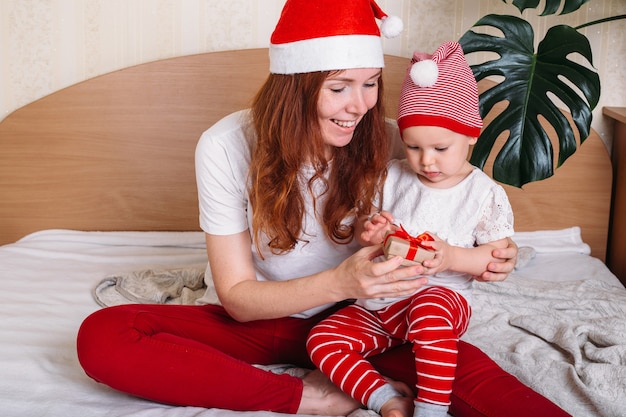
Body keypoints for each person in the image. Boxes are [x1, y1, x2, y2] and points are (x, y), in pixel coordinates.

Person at [76, 1, 570, 416]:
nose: (359, 106)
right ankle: (309, 398)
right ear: (294, 89)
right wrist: (340, 283)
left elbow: (464, 196)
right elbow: (239, 300)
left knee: (486, 386)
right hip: (266, 317)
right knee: (103, 336)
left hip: (371, 322)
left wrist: (494, 254)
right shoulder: (225, 145)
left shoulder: (400, 143)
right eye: (339, 88)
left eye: (371, 83)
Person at [306, 41, 515, 417]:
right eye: (414, 146)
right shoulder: (392, 176)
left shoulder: (484, 193)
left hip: (440, 298)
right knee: (321, 339)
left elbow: (495, 257)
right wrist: (370, 230)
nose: (426, 160)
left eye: (440, 147)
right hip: (381, 303)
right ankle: (385, 398)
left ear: (471, 135)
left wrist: (451, 256)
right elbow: (364, 229)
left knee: (429, 310)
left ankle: (431, 408)